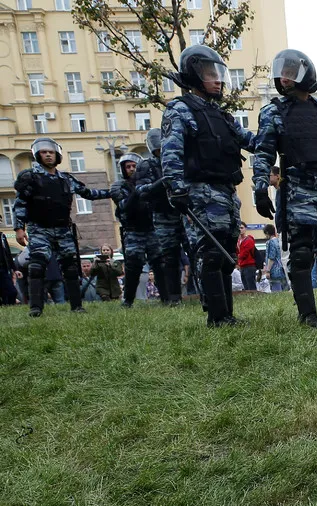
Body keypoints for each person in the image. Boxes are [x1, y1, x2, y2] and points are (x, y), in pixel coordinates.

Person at [254, 49, 317, 327]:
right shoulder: (273, 112)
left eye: (290, 72)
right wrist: (260, 189)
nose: (284, 78)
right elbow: (263, 154)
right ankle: (308, 313)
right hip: (297, 188)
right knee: (301, 251)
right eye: (282, 73)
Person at [162, 44, 257, 327]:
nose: (218, 79)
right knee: (212, 253)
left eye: (219, 73)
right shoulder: (179, 109)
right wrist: (175, 188)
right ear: (194, 76)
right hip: (200, 192)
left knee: (228, 253)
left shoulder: (222, 116)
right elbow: (171, 152)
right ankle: (218, 317)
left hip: (227, 192)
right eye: (210, 74)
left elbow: (250, 140)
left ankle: (226, 314)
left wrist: (280, 138)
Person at [13, 137, 111, 316]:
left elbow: (88, 193)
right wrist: (19, 228)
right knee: (37, 266)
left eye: (51, 152)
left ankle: (76, 306)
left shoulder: (66, 179)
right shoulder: (30, 178)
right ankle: (36, 308)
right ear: (37, 155)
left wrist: (111, 193)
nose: (48, 155)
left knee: (71, 267)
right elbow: (20, 204)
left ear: (57, 155)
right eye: (44, 152)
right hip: (39, 229)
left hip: (63, 229)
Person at [132, 129, 185, 307]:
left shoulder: (180, 161)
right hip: (163, 216)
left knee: (195, 252)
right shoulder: (146, 166)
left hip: (185, 214)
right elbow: (140, 191)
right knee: (169, 257)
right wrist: (160, 184)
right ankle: (174, 297)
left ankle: (205, 295)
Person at [114, 150, 165, 308]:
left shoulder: (150, 184)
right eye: (128, 166)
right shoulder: (119, 186)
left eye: (134, 166)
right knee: (133, 265)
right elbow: (123, 207)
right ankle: (128, 300)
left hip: (151, 229)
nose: (132, 169)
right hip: (133, 231)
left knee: (159, 264)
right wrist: (137, 192)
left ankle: (167, 297)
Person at [262, 224, 286, 292]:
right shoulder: (278, 240)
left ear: (267, 233)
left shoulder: (270, 242)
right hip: (281, 268)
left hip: (274, 270)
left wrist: (268, 270)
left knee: (276, 290)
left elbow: (271, 257)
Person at [237, 221, 258, 291]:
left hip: (249, 265)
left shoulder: (248, 240)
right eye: (239, 228)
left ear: (245, 229)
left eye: (242, 228)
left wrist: (238, 256)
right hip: (242, 266)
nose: (240, 229)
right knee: (246, 287)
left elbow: (244, 254)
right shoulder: (238, 241)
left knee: (251, 287)